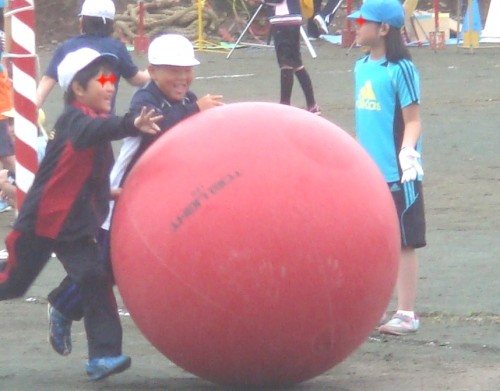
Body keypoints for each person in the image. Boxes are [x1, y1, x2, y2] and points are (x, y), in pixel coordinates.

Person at [45, 34, 224, 358]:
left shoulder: (187, 100)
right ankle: (62, 304)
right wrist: (196, 110)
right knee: (105, 267)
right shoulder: (146, 100)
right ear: (152, 71)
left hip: (158, 200)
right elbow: (157, 127)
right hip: (120, 199)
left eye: (187, 70)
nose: (183, 78)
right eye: (173, 70)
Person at [0, 47, 162, 381]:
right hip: (41, 222)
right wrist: (132, 123)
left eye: (111, 80)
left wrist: (107, 192)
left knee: (94, 278)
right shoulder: (76, 121)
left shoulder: (97, 123)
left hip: (73, 226)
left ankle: (103, 356)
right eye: (101, 80)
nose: (110, 86)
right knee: (13, 282)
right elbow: (96, 134)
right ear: (77, 88)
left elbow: (88, 172)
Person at [348, 0, 426, 335]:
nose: (356, 26)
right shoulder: (361, 66)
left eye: (363, 21)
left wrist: (408, 153)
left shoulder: (401, 69)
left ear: (384, 29)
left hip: (399, 173)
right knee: (376, 241)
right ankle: (378, 308)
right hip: (368, 174)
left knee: (404, 241)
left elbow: (413, 119)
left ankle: (406, 313)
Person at [36, 0, 149, 109]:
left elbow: (47, 81)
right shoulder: (116, 48)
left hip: (73, 119)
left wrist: (33, 108)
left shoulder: (66, 47)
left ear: (82, 21)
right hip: (105, 122)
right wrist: (152, 70)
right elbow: (137, 79)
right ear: (111, 24)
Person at [264, 0, 321, 114]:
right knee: (296, 63)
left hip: (284, 20)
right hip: (290, 19)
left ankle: (285, 105)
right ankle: (311, 104)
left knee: (286, 64)